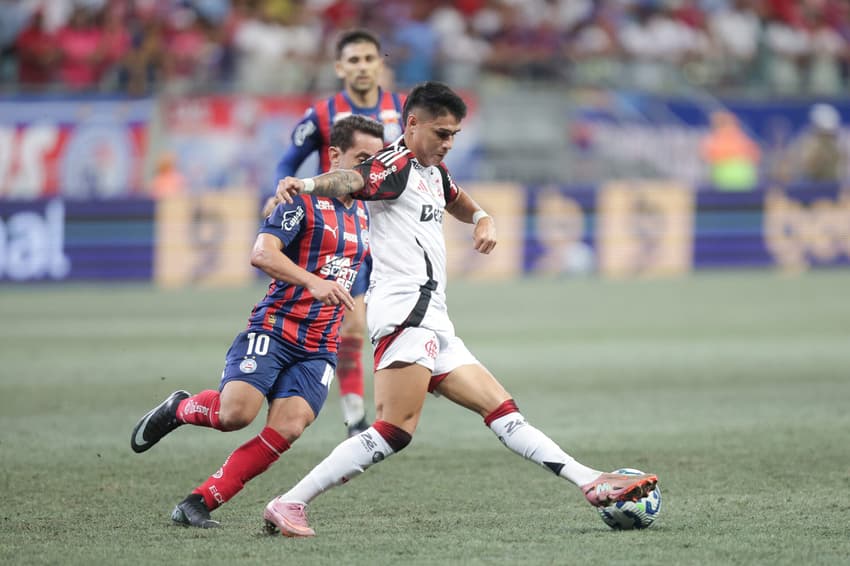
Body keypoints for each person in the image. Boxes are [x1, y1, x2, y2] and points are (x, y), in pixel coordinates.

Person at [263, 81, 658, 538]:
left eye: (454, 135)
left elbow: (456, 198)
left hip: (435, 318)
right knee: (394, 430)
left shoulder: (433, 170)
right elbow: (352, 179)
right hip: (406, 314)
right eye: (441, 133)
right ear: (411, 125)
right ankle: (289, 502)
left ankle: (588, 481)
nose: (448, 143)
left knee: (505, 412)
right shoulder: (393, 166)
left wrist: (482, 217)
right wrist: (308, 183)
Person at [130, 115, 385, 528]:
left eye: (375, 162)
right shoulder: (301, 202)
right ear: (334, 156)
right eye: (360, 159)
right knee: (235, 415)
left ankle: (199, 502)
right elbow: (262, 253)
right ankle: (180, 408)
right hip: (275, 328)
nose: (367, 171)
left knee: (289, 427)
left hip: (320, 345)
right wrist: (312, 282)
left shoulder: (371, 214)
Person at [268, 28, 406, 439]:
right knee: (350, 323)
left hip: (385, 228)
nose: (363, 67)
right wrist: (279, 190)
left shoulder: (402, 110)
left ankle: (365, 408)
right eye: (354, 60)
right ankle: (353, 416)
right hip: (337, 230)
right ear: (340, 67)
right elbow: (287, 162)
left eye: (369, 59)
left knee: (375, 322)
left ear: (380, 64)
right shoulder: (322, 115)